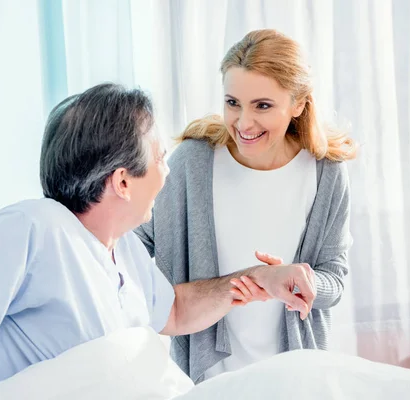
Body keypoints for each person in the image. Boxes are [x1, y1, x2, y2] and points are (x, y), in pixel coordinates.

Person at [0, 83, 316, 399]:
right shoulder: (32, 228)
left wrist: (258, 280)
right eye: (159, 158)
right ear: (122, 181)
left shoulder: (123, 248)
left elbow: (172, 311)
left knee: (311, 383)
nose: (167, 171)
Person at [134, 28, 357, 383]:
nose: (244, 123)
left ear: (298, 104)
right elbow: (130, 243)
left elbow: (334, 279)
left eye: (263, 106)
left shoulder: (325, 173)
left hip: (296, 376)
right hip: (209, 378)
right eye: (232, 103)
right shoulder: (194, 163)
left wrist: (303, 280)